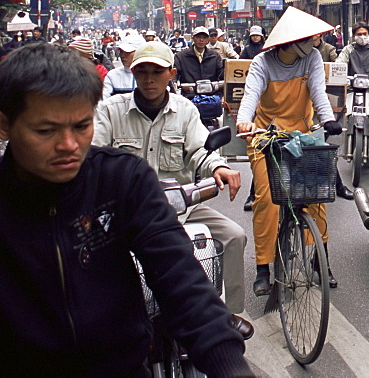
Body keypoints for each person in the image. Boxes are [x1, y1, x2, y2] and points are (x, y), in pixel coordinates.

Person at [0, 43, 252, 376]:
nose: (68, 146)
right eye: (46, 130)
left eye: (81, 127)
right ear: (2, 125)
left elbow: (181, 280)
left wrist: (228, 363)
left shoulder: (123, 181)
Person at [93, 41, 253, 340]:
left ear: (172, 74)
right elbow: (94, 154)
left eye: (157, 71)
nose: (149, 79)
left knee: (234, 236)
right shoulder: (111, 110)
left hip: (180, 207)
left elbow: (200, 151)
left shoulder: (185, 110)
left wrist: (219, 167)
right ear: (133, 73)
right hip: (124, 212)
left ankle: (225, 313)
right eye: (142, 72)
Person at [235, 7, 344, 295]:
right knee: (266, 198)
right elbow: (251, 95)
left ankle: (322, 260)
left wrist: (329, 120)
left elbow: (319, 93)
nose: (314, 41)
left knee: (315, 193)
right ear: (290, 41)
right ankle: (263, 266)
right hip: (264, 135)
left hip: (301, 134)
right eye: (308, 38)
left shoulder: (313, 58)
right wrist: (244, 122)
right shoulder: (262, 62)